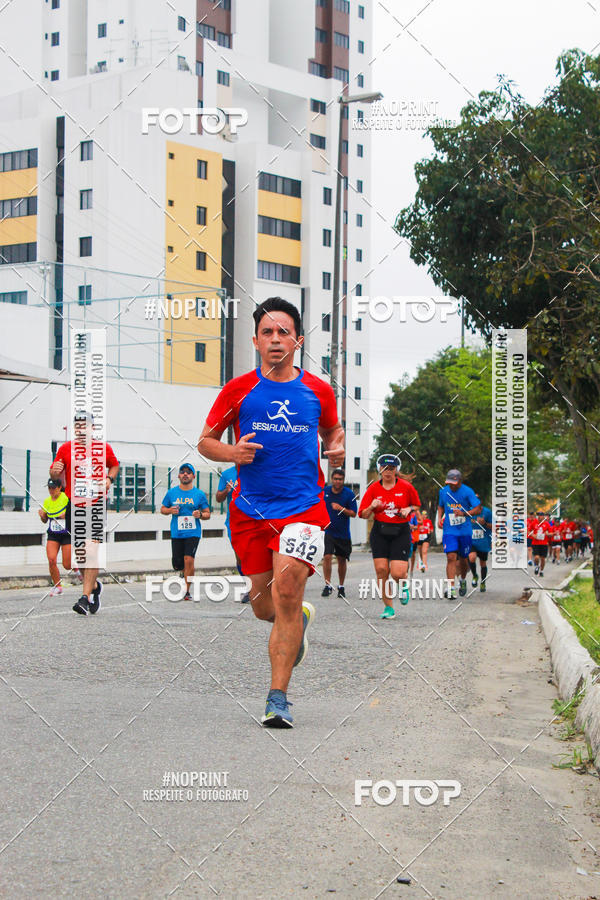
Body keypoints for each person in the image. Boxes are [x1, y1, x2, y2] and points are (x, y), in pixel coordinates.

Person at [198, 296, 345, 728]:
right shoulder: (238, 390)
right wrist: (232, 451)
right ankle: (296, 622)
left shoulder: (318, 390)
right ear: (256, 341)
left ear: (298, 340)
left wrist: (336, 445)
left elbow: (332, 428)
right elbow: (206, 441)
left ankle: (277, 698)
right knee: (265, 608)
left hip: (303, 506)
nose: (276, 339)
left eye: (284, 332)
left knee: (287, 589)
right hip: (250, 511)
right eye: (268, 332)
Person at [50, 411, 119, 615]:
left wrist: (109, 479)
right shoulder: (65, 448)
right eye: (77, 426)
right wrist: (54, 471)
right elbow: (54, 472)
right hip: (75, 505)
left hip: (96, 504)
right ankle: (95, 587)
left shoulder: (102, 448)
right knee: (80, 556)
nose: (81, 429)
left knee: (91, 552)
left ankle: (84, 598)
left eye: (84, 425)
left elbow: (114, 465)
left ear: (92, 428)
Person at [358, 454, 421, 618]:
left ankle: (402, 584)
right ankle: (389, 608)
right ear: (380, 469)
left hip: (400, 531)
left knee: (397, 573)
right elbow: (363, 515)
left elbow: (416, 504)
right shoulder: (373, 489)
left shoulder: (406, 487)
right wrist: (371, 506)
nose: (387, 471)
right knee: (381, 570)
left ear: (396, 470)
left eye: (391, 468)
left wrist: (410, 509)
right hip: (380, 531)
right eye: (384, 468)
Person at [161, 463, 210, 600]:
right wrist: (170, 510)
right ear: (178, 476)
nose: (185, 474)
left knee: (189, 559)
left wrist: (200, 514)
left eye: (189, 472)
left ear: (193, 476)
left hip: (193, 532)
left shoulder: (199, 494)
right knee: (178, 563)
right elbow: (163, 509)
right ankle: (183, 572)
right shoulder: (171, 493)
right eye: (182, 472)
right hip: (177, 532)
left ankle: (186, 591)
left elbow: (207, 513)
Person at [437, 469, 481, 599]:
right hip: (449, 530)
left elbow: (478, 508)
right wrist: (440, 518)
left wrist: (464, 513)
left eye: (454, 483)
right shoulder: (443, 491)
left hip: (464, 531)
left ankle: (462, 579)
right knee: (451, 556)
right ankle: (450, 588)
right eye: (449, 482)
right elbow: (440, 506)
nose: (451, 485)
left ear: (460, 481)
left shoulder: (468, 492)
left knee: (463, 559)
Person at [38, 478, 81, 595]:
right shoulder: (47, 501)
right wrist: (42, 515)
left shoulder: (66, 498)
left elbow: (77, 511)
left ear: (59, 488)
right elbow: (45, 520)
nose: (51, 490)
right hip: (53, 534)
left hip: (66, 533)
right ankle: (57, 586)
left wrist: (67, 515)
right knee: (51, 560)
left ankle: (76, 567)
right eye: (49, 488)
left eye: (53, 488)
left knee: (67, 565)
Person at [215, 464, 250, 602]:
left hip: (253, 519)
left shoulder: (255, 469)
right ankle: (249, 586)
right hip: (234, 522)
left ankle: (259, 587)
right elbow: (218, 498)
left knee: (254, 554)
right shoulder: (227, 474)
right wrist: (226, 490)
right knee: (240, 556)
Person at [321, 468, 357, 598]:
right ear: (332, 479)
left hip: (342, 533)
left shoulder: (349, 494)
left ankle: (341, 586)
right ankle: (327, 585)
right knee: (327, 557)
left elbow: (353, 514)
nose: (337, 481)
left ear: (343, 480)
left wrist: (341, 508)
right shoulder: (324, 492)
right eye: (335, 479)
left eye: (340, 479)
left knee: (342, 560)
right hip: (327, 531)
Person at [468, 505, 492, 592]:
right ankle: (475, 575)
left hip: (483, 542)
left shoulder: (487, 512)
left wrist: (485, 523)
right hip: (471, 541)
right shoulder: (468, 511)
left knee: (483, 563)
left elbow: (494, 526)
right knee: (472, 557)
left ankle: (483, 582)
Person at [530, 512, 550, 576]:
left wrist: (548, 534)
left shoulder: (546, 524)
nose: (539, 516)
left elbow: (549, 531)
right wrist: (533, 535)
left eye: (541, 515)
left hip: (544, 543)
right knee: (536, 557)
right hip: (535, 543)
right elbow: (529, 530)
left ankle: (541, 571)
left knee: (543, 558)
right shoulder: (534, 523)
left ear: (543, 516)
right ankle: (537, 566)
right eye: (538, 515)